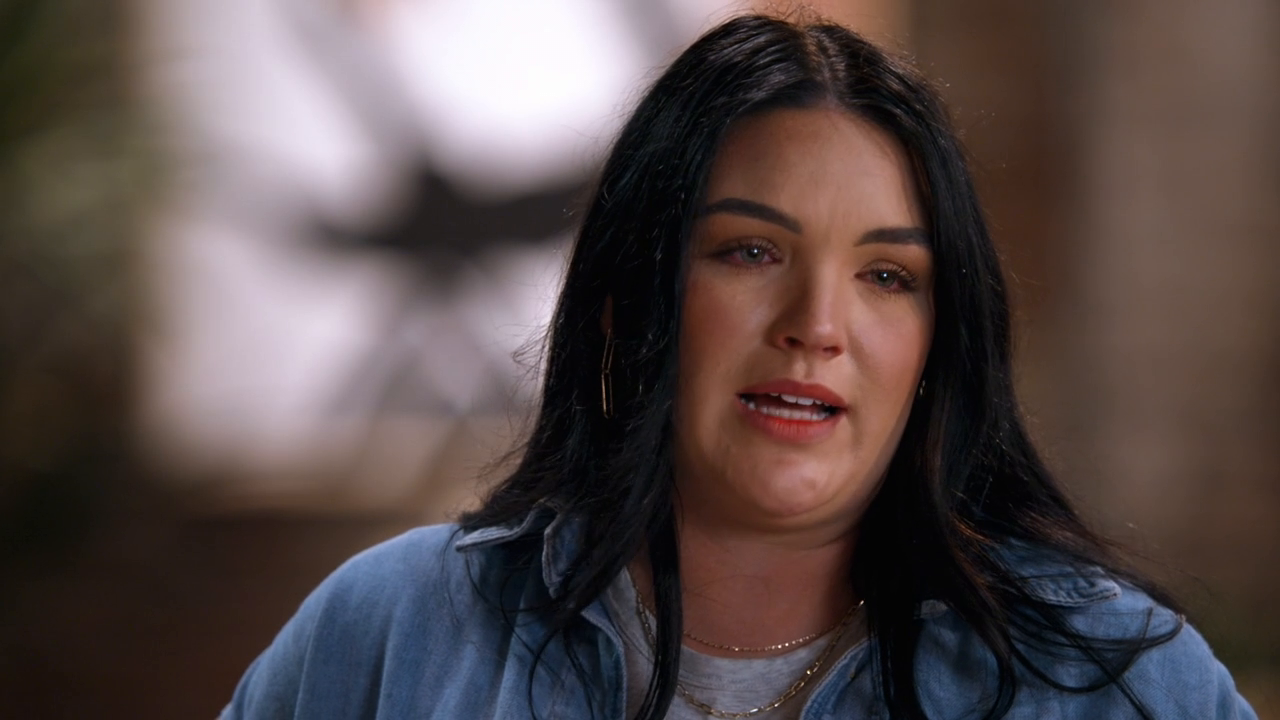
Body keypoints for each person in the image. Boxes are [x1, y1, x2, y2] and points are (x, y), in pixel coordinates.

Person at [221, 14, 1257, 720]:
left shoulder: (1106, 679)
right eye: (751, 253)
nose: (817, 326)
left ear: (941, 340)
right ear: (631, 296)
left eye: (886, 275)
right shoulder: (399, 630)